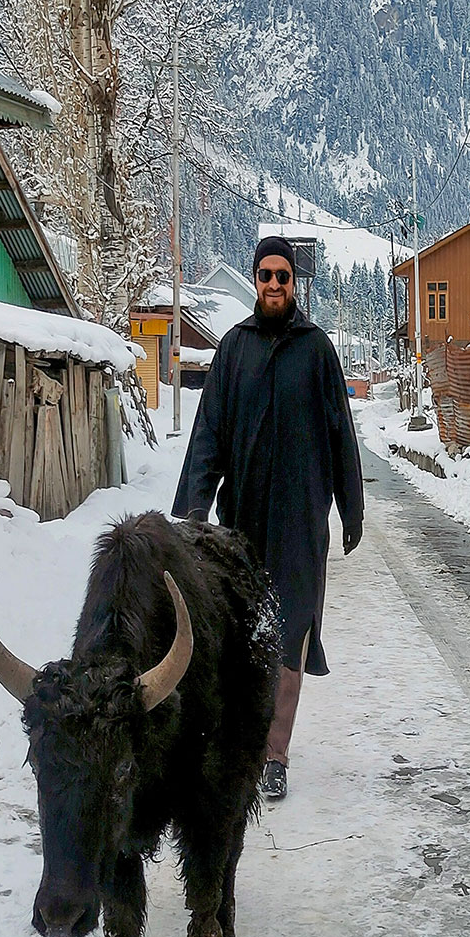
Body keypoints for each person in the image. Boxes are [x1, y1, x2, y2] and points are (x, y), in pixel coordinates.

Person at [172, 236, 364, 801]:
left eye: (283, 276)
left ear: (295, 283)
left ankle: (274, 753)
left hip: (302, 521)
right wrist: (191, 514)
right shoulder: (233, 350)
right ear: (255, 281)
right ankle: (241, 741)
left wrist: (350, 507)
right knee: (237, 631)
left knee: (291, 633)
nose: (274, 285)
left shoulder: (317, 350)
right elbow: (207, 435)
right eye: (265, 276)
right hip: (242, 523)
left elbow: (340, 436)